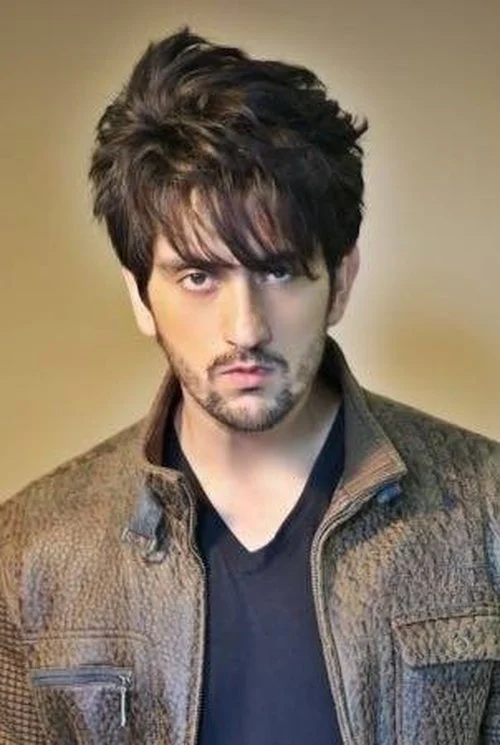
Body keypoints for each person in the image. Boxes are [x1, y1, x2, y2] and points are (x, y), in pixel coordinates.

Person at [0, 25, 499, 745]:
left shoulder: (485, 512)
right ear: (140, 296)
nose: (245, 328)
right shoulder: (31, 553)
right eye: (198, 276)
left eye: (279, 270)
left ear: (340, 281)